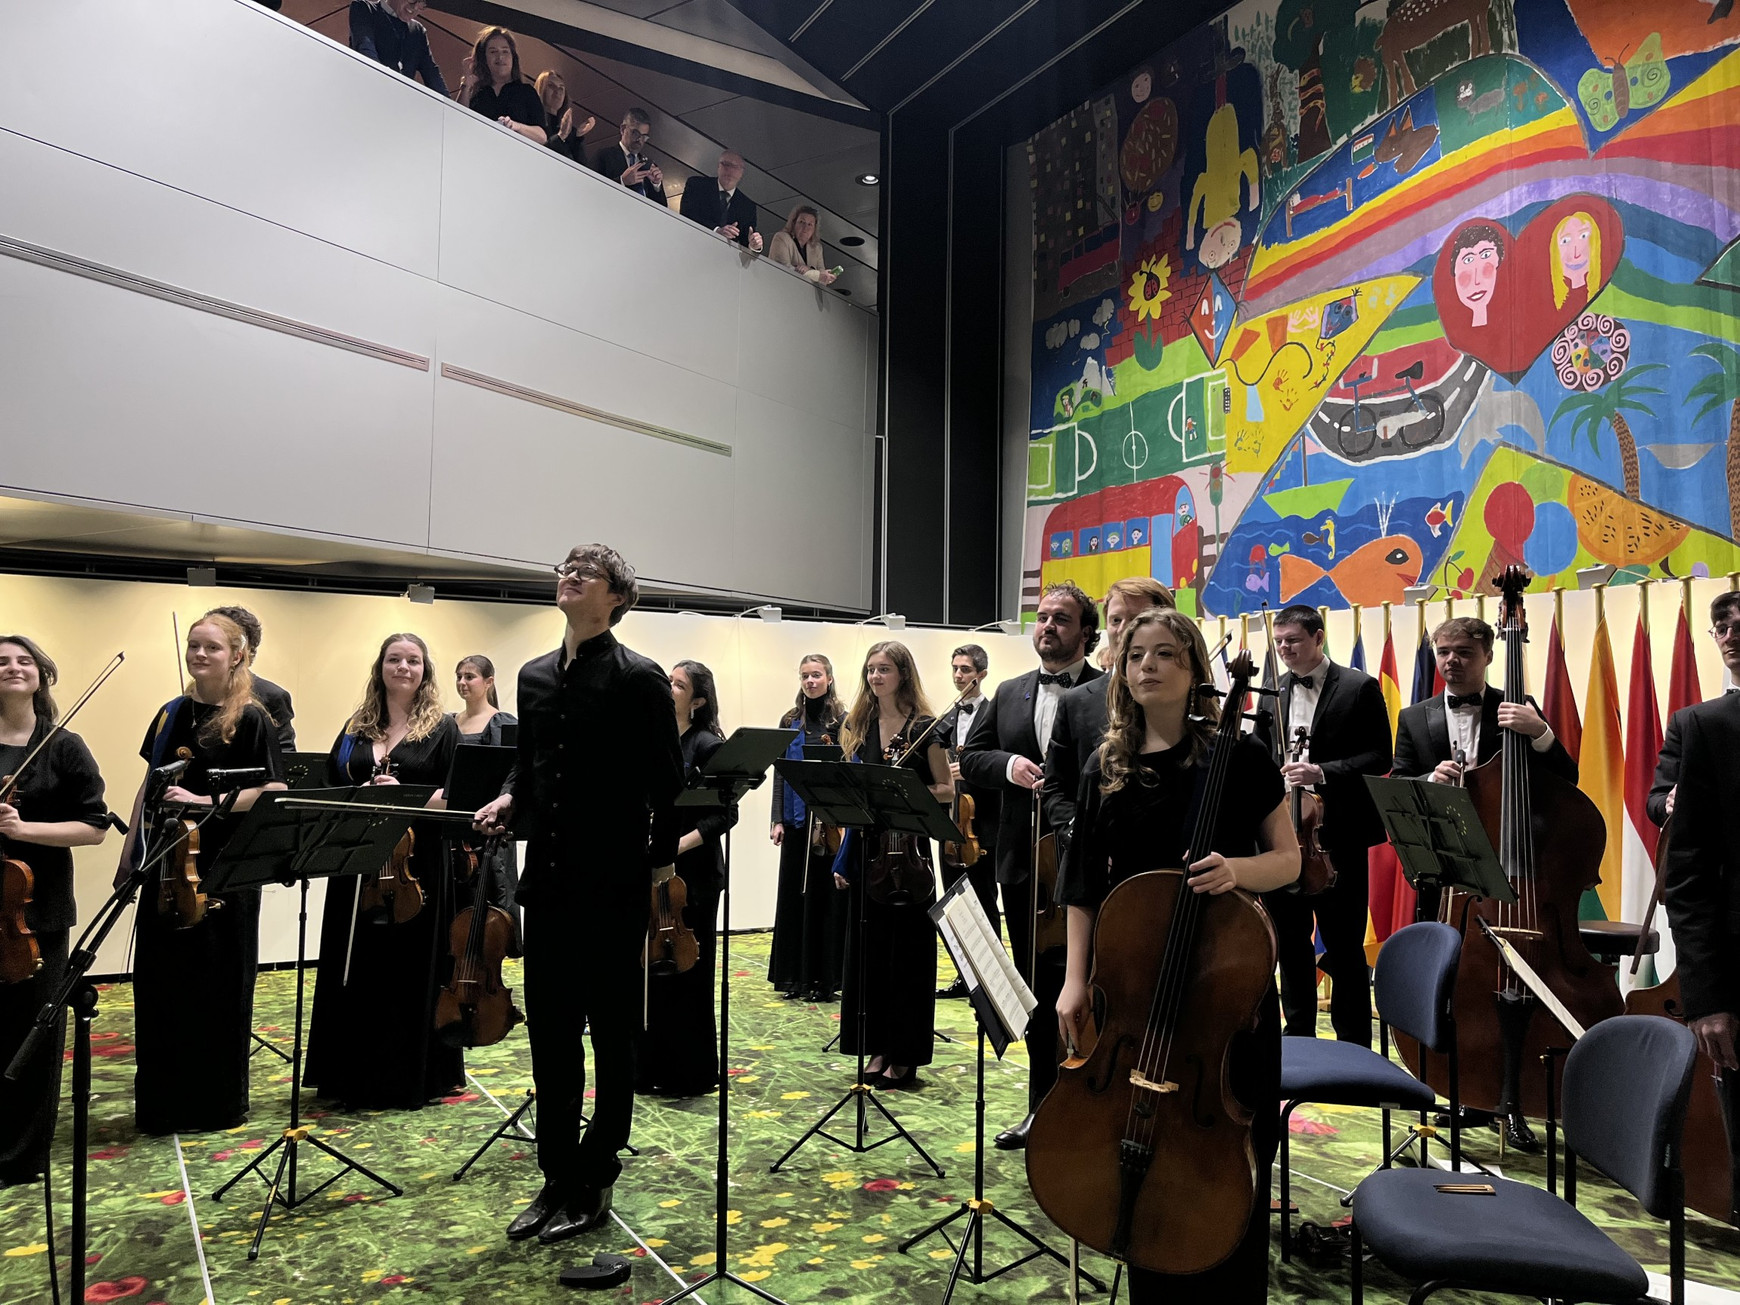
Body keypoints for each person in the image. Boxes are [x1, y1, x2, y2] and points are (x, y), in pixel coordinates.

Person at [1055, 607, 1298, 1303]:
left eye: (1165, 654)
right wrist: (1075, 980)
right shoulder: (1109, 765)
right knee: (1140, 1153)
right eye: (1135, 655)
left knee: (1232, 1160)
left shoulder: (1242, 756)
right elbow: (1083, 884)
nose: (1147, 666)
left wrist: (1235, 872)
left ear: (1195, 670)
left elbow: (1286, 860)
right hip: (1135, 996)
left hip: (1227, 998)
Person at [475, 544, 683, 1245]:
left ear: (616, 597)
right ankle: (556, 1172)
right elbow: (526, 768)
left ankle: (595, 1172)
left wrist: (654, 877)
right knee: (554, 1037)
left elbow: (667, 786)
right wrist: (507, 800)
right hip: (551, 883)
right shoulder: (533, 677)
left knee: (613, 1036)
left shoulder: (641, 678)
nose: (568, 576)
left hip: (614, 885)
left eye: (585, 572)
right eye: (565, 567)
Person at [121, 612, 286, 1135]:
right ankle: (162, 1106)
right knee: (160, 984)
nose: (199, 655)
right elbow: (149, 786)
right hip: (166, 863)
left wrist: (202, 799)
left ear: (236, 655)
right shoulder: (170, 714)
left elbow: (272, 791)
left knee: (217, 985)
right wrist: (130, 853)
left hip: (223, 869)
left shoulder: (253, 718)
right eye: (194, 646)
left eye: (212, 647)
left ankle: (216, 1106)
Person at [959, 582, 1100, 1147]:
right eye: (1042, 617)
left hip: (1089, 862)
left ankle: (1094, 1106)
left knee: (1092, 985)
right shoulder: (1012, 690)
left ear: (1086, 633)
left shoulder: (1109, 690)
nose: (1048, 627)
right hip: (1024, 865)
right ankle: (1042, 1105)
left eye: (1061, 619)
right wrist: (1011, 764)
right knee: (1037, 990)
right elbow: (971, 757)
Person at [304, 635, 462, 1110]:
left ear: (425, 671)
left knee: (411, 968)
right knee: (356, 965)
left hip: (419, 868)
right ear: (381, 667)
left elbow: (457, 798)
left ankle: (410, 1073)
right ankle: (350, 1070)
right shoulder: (355, 726)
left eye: (413, 660)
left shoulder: (443, 728)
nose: (404, 667)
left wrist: (403, 794)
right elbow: (331, 784)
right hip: (356, 864)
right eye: (395, 659)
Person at [1254, 604, 1393, 1048]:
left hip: (1336, 841)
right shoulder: (1273, 689)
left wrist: (1323, 772)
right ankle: (1296, 1037)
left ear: (1318, 637)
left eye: (1292, 641)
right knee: (1291, 945)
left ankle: (1353, 1042)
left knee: (1344, 946)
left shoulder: (1358, 687)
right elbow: (1260, 752)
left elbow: (1380, 756)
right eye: (1278, 642)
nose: (1284, 649)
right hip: (1282, 839)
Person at [0, 637, 108, 1185]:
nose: (13, 668)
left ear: (42, 676)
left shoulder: (63, 746)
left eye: (25, 661)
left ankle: (20, 1155)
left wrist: (22, 830)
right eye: (1, 661)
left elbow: (92, 827)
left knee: (32, 1031)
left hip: (33, 912)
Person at [833, 642, 951, 1090]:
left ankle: (906, 1053)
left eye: (884, 669)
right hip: (869, 852)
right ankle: (878, 1045)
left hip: (911, 855)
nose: (875, 678)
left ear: (903, 673)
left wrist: (906, 787)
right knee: (871, 956)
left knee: (909, 958)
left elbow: (945, 789)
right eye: (870, 670)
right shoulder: (859, 726)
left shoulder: (926, 727)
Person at [1660, 591, 1740, 1220]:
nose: (1732, 634)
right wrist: (1705, 997)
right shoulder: (1705, 726)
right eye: (1722, 626)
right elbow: (1685, 877)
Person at [638, 660, 737, 1096]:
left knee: (687, 970)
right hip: (650, 867)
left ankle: (689, 1071)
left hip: (693, 872)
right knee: (649, 969)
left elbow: (724, 814)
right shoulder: (653, 738)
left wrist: (674, 846)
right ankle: (648, 1066)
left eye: (678, 685)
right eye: (669, 682)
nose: (669, 689)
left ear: (696, 701)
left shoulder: (708, 745)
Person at [1042, 577, 1174, 851]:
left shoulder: (1188, 699)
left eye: (1138, 619)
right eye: (1116, 621)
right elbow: (1056, 787)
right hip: (1095, 868)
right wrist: (1078, 835)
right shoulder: (1075, 702)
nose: (1124, 630)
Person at [766, 654, 847, 1002]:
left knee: (824, 900)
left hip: (828, 826)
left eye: (816, 675)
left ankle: (823, 979)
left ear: (829, 678)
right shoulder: (789, 720)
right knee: (793, 899)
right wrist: (777, 818)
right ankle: (793, 977)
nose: (810, 681)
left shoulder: (841, 721)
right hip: (797, 825)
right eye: (804, 676)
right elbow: (780, 773)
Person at [936, 643, 998, 998]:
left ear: (981, 675)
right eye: (955, 668)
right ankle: (965, 976)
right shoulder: (948, 716)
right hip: (951, 825)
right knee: (954, 901)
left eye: (965, 669)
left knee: (984, 901)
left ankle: (991, 980)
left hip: (982, 823)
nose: (959, 676)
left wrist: (970, 769)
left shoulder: (993, 712)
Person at [452, 654, 521, 949]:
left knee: (491, 903)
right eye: (459, 676)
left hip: (488, 830)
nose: (462, 682)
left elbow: (507, 778)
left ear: (488, 682)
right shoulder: (448, 721)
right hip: (454, 827)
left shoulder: (501, 722)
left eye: (470, 676)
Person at [205, 606, 296, 751]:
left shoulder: (272, 696)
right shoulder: (190, 699)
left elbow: (284, 755)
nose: (202, 653)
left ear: (245, 651)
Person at [457, 28, 547, 144]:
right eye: (493, 52)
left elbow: (542, 137)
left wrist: (516, 126)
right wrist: (466, 86)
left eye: (505, 51)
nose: (500, 57)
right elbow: (457, 121)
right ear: (484, 58)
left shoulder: (526, 92)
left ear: (513, 57)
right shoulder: (476, 93)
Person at [349, 0, 447, 93]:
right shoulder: (365, 9)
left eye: (422, 2)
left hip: (398, 105)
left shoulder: (418, 32)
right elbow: (366, 51)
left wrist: (450, 107)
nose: (416, 7)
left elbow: (433, 75)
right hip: (366, 94)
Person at [678, 151, 763, 251]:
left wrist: (755, 245)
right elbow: (687, 213)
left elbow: (747, 240)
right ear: (718, 166)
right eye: (726, 164)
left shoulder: (747, 206)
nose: (730, 170)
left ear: (742, 173)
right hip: (690, 246)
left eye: (735, 167)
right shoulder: (697, 185)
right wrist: (717, 230)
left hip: (723, 259)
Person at [594, 109, 665, 203]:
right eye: (635, 133)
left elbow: (662, 207)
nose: (639, 140)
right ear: (623, 129)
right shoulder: (604, 156)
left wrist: (656, 184)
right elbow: (592, 190)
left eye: (644, 136)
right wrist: (622, 181)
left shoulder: (649, 165)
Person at [534, 70, 595, 165]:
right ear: (541, 89)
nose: (557, 92)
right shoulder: (533, 121)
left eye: (561, 88)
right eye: (551, 86)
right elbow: (539, 156)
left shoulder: (571, 132)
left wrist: (578, 138)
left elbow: (582, 168)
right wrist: (560, 136)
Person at [767, 205, 835, 285]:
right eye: (802, 222)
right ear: (793, 223)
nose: (805, 227)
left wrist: (809, 271)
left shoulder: (817, 248)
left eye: (810, 224)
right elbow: (782, 268)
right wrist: (815, 274)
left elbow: (822, 279)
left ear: (814, 229)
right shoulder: (782, 238)